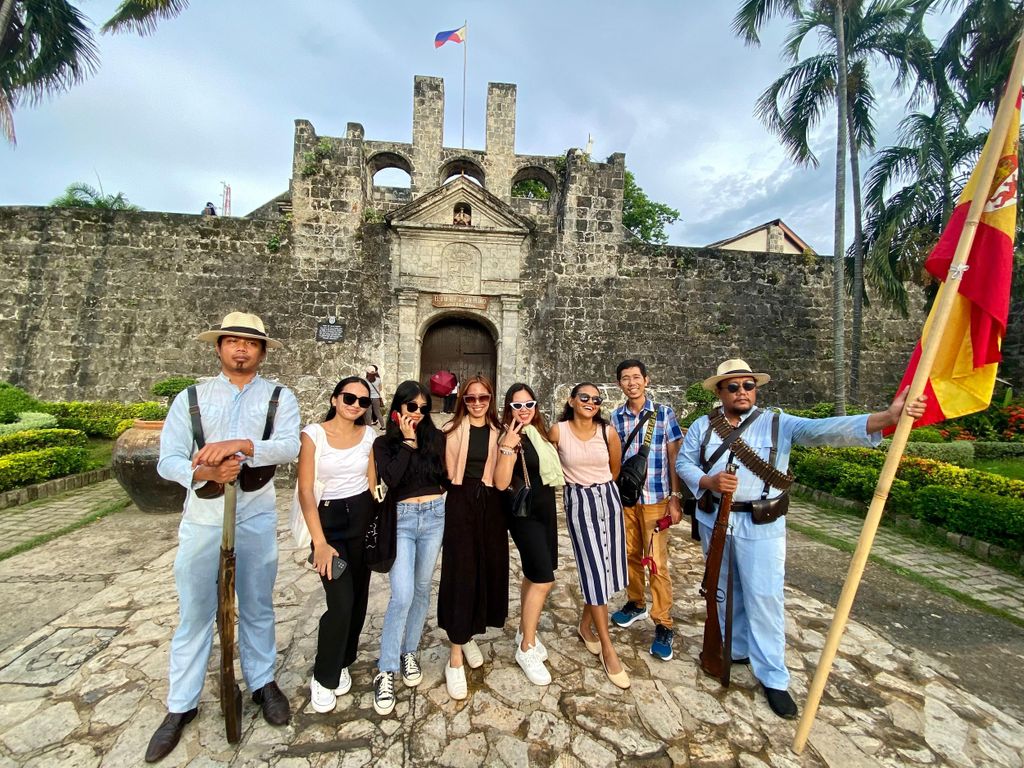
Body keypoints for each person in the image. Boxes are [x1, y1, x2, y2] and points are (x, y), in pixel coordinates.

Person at [676, 358, 927, 720]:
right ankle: (737, 647)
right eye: (733, 386)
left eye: (748, 385)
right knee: (724, 591)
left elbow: (824, 430)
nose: (742, 392)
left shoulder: (778, 423)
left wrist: (887, 418)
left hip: (761, 522)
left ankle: (773, 677)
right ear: (719, 391)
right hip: (716, 517)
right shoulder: (704, 425)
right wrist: (708, 482)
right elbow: (685, 463)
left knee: (764, 596)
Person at [148, 312, 299, 763]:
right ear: (218, 348)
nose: (240, 349)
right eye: (232, 341)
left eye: (250, 343)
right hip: (203, 517)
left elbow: (290, 445)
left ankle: (262, 682)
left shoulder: (278, 397)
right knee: (195, 611)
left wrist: (245, 446)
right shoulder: (191, 398)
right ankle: (181, 705)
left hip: (253, 515)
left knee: (255, 602)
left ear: (262, 351)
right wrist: (203, 469)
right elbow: (168, 459)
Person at [297, 377, 376, 714]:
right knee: (340, 601)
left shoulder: (369, 436)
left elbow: (373, 483)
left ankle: (345, 658)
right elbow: (304, 490)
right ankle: (324, 674)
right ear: (334, 399)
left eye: (362, 401)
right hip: (329, 524)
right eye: (349, 397)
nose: (355, 404)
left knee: (358, 599)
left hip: (362, 518)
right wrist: (319, 543)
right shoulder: (313, 435)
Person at [371, 381, 448, 716]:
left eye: (422, 408)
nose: (417, 413)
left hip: (433, 516)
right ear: (398, 409)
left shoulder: (436, 437)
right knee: (401, 594)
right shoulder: (383, 443)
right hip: (401, 520)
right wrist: (407, 442)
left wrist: (419, 442)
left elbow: (440, 475)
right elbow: (393, 479)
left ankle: (409, 651)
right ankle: (386, 669)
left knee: (420, 591)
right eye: (411, 407)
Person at [549, 382, 630, 689]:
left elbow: (615, 469)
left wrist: (601, 489)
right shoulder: (558, 431)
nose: (591, 402)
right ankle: (608, 648)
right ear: (571, 400)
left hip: (608, 499)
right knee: (593, 569)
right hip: (579, 501)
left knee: (606, 569)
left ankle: (585, 626)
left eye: (596, 399)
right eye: (584, 397)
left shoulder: (608, 433)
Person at [438, 375, 508, 700]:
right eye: (471, 398)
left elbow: (503, 481)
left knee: (483, 571)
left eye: (483, 397)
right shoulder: (450, 431)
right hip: (460, 503)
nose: (477, 403)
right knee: (460, 575)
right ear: (462, 400)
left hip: (491, 505)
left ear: (491, 399)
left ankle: (467, 635)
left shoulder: (501, 434)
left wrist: (508, 447)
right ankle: (454, 656)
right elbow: (440, 472)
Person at [610, 359, 685, 661]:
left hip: (655, 498)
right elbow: (613, 458)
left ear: (646, 381)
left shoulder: (664, 414)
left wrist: (675, 496)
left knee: (655, 561)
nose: (631, 383)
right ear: (619, 384)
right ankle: (635, 602)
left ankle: (663, 622)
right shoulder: (617, 417)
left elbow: (674, 456)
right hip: (628, 499)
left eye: (636, 377)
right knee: (630, 554)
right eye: (626, 378)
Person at [493, 383, 564, 686]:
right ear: (508, 408)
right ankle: (526, 647)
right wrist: (508, 445)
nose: (523, 410)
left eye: (528, 404)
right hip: (524, 515)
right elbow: (500, 482)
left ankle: (526, 628)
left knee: (534, 575)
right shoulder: (511, 436)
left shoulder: (540, 432)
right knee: (544, 579)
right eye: (517, 405)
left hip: (546, 510)